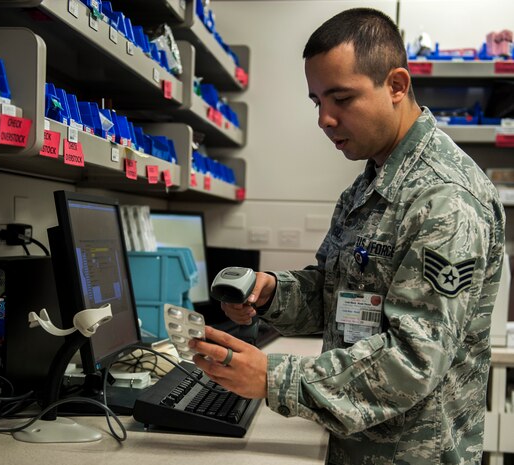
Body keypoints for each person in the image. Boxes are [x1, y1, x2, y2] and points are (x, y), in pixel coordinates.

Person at [188, 7, 505, 465]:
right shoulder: (371, 184)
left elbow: (413, 361)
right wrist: (272, 294)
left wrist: (273, 377)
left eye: (341, 99)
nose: (325, 119)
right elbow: (344, 296)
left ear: (396, 86)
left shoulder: (444, 199)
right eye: (318, 102)